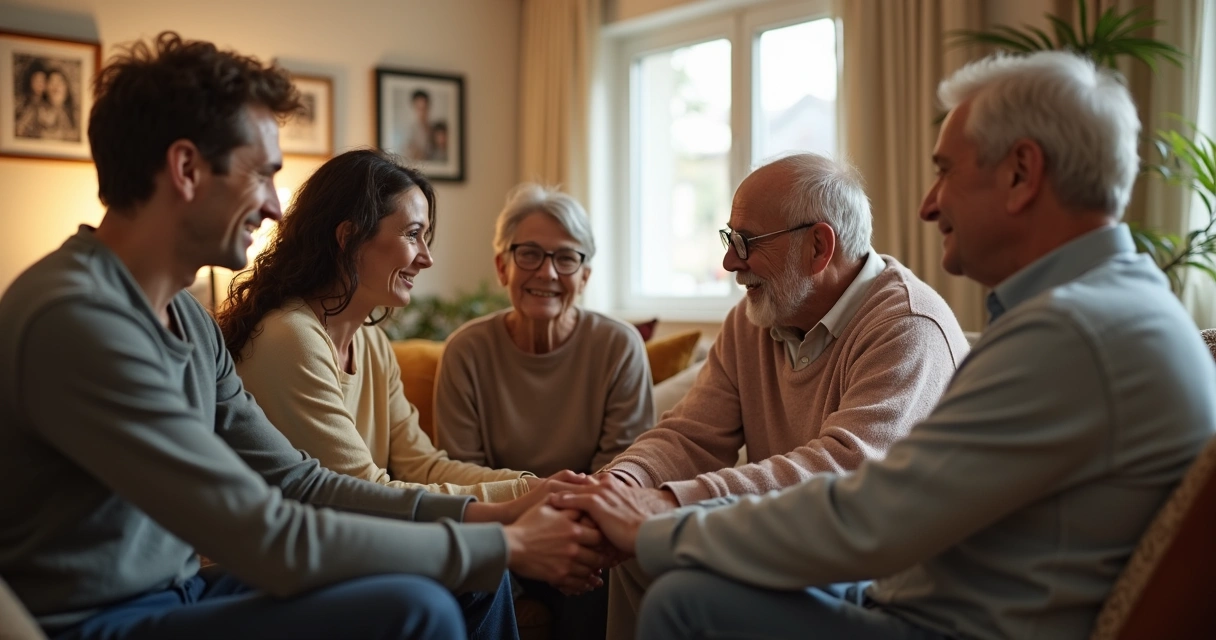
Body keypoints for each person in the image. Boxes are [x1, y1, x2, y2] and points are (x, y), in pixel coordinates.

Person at [555, 51, 1216, 640]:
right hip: (916, 595)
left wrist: (658, 522)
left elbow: (871, 511)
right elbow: (887, 506)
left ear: (1021, 174)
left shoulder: (1071, 332)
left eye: (945, 171)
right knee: (672, 572)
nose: (928, 205)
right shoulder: (1104, 308)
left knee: (687, 600)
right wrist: (628, 494)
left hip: (941, 618)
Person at [0, 32, 601, 640]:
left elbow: (300, 481)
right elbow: (265, 532)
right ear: (185, 169)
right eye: (263, 174)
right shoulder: (77, 319)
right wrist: (502, 543)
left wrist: (492, 513)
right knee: (421, 606)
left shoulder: (187, 319)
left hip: (181, 592)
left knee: (466, 579)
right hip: (98, 620)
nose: (275, 208)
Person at [590, 152, 969, 639]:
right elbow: (690, 436)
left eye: (745, 242)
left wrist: (665, 503)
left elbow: (843, 470)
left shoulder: (908, 326)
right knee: (634, 551)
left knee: (669, 566)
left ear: (819, 247)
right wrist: (618, 487)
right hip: (793, 544)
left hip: (885, 582)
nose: (729, 262)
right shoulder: (753, 320)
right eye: (729, 239)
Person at [218, 148, 546, 508]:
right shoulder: (291, 337)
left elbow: (422, 467)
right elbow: (361, 491)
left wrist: (535, 487)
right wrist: (531, 496)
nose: (426, 257)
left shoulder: (372, 343)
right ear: (349, 238)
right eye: (412, 234)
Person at [435, 183, 656, 638]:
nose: (548, 272)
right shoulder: (466, 351)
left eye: (566, 258)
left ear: (585, 275)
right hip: (500, 533)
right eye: (530, 254)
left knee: (612, 568)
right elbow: (461, 477)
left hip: (590, 536)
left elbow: (617, 474)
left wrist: (565, 543)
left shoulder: (619, 347)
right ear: (502, 266)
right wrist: (526, 544)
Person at [403, 88, 432, 162]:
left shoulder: (433, 128)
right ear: (413, 108)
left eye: (424, 108)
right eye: (419, 108)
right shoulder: (408, 131)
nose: (422, 113)